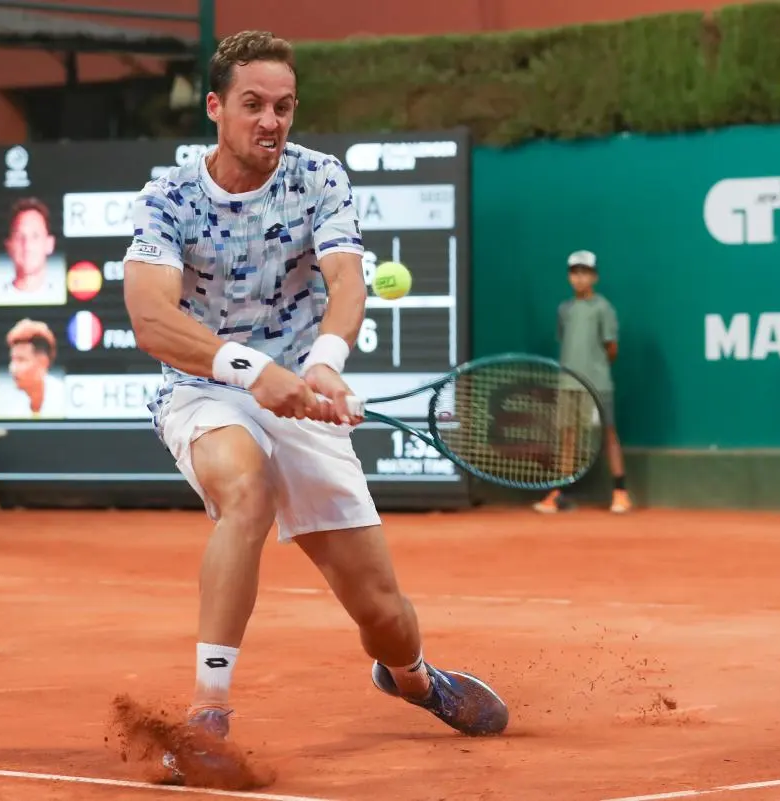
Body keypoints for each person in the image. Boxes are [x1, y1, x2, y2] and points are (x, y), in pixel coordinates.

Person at [121, 30, 509, 783]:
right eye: (254, 104)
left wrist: (325, 365)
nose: (271, 120)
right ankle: (207, 712)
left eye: (285, 106)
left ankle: (414, 679)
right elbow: (151, 318)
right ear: (216, 107)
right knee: (247, 491)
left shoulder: (319, 177)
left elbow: (346, 280)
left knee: (384, 614)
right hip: (204, 390)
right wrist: (249, 368)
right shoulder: (166, 198)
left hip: (302, 389)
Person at [533, 250, 632, 514]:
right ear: (569, 277)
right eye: (574, 273)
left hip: (597, 384)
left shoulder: (603, 308)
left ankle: (620, 492)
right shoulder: (564, 310)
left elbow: (611, 348)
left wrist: (594, 370)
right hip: (567, 383)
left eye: (585, 272)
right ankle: (558, 494)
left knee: (608, 435)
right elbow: (566, 341)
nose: (579, 278)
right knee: (567, 438)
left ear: (594, 277)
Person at [0, 198, 65, 307]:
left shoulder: (60, 295)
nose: (27, 245)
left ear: (49, 244)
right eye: (19, 236)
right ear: (8, 245)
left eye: (35, 236)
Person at [0, 318, 64, 419]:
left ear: (43, 362)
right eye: (12, 360)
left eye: (21, 360)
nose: (12, 368)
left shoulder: (64, 400)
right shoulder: (5, 405)